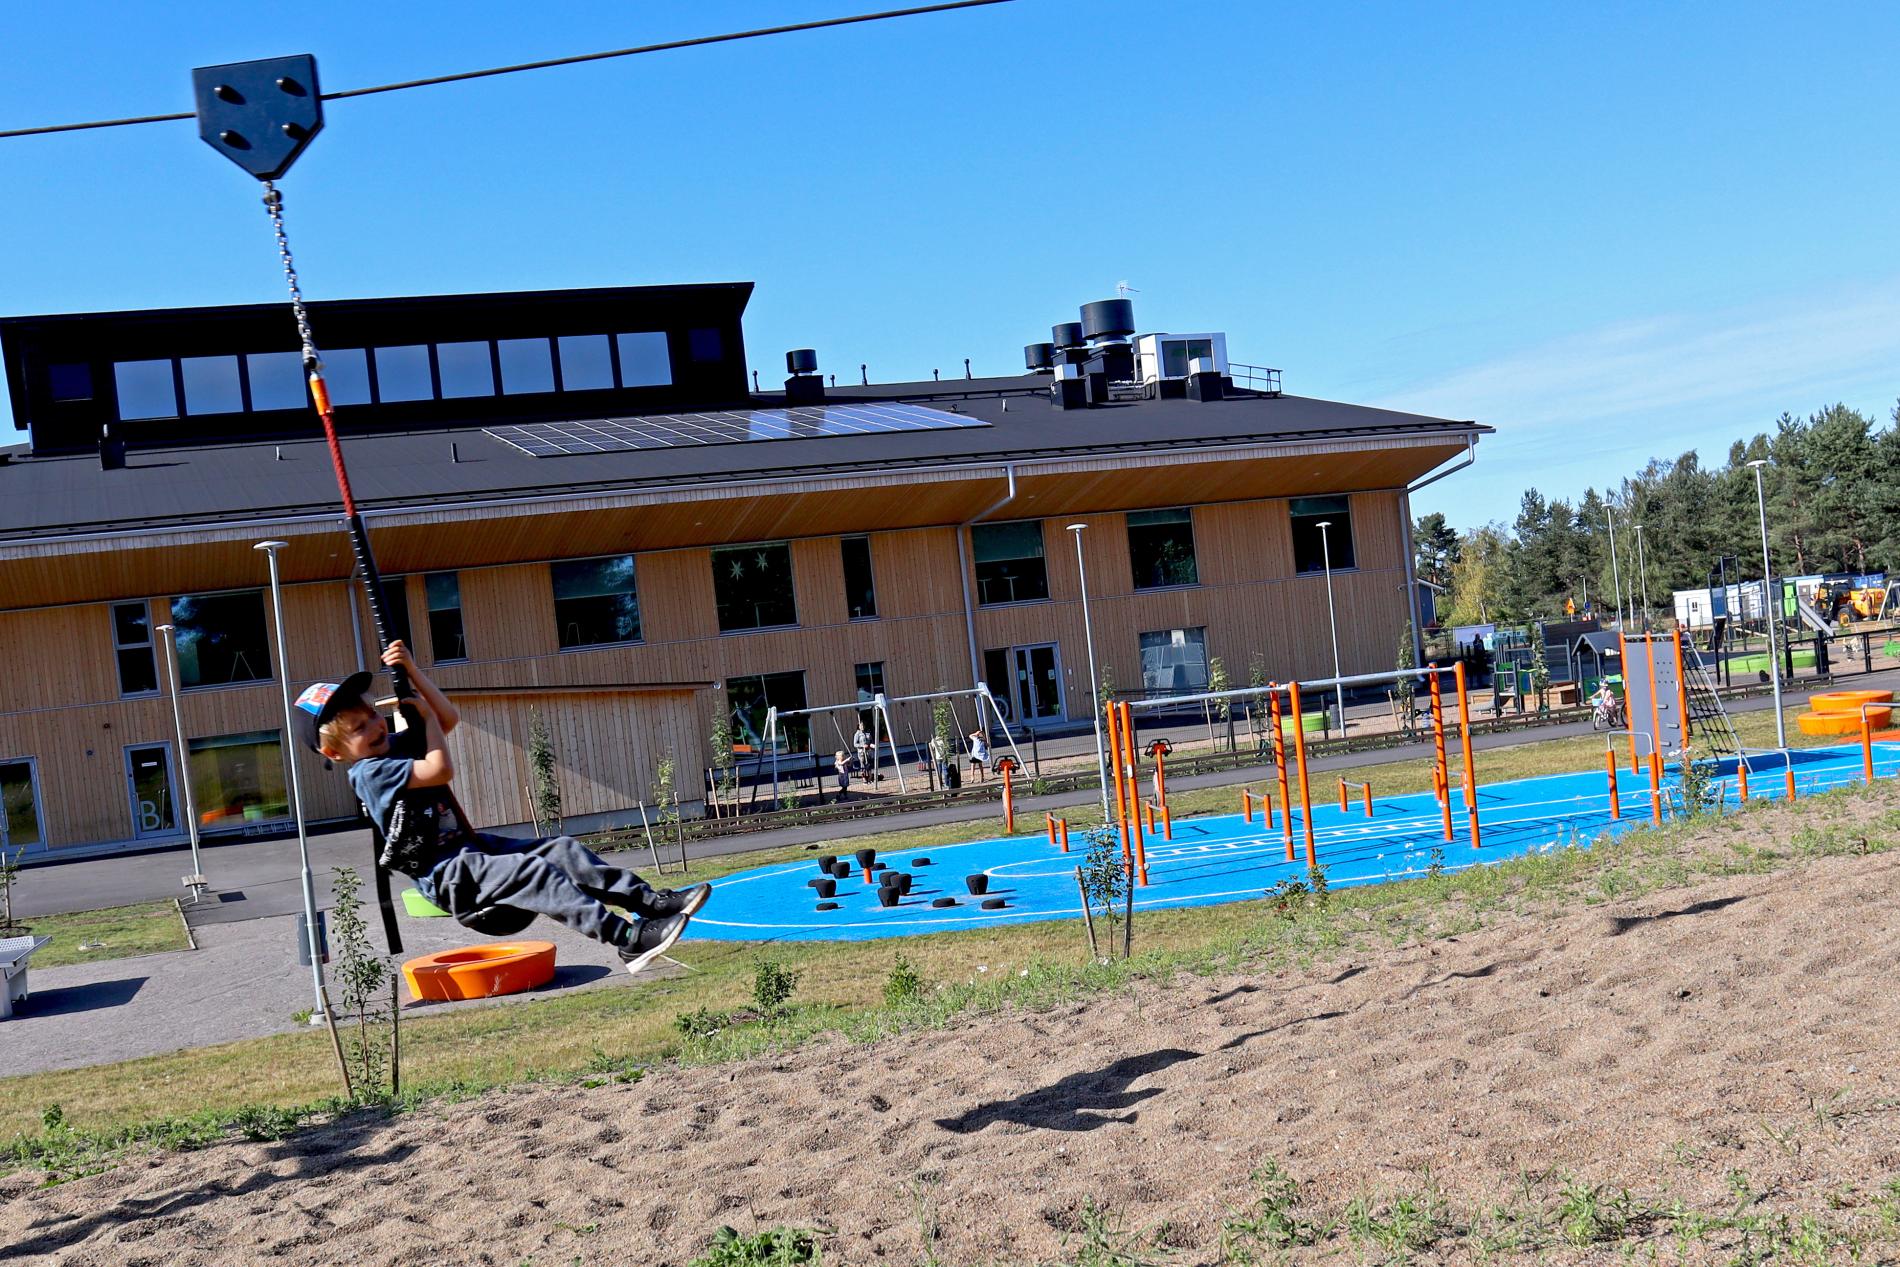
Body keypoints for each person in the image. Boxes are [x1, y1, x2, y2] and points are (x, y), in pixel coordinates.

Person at [294, 641, 707, 977]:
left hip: (472, 849)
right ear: (335, 751)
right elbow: (440, 768)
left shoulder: (388, 748)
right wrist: (423, 719)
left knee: (561, 851)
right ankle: (627, 940)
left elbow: (448, 718)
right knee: (533, 872)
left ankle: (648, 903)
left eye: (372, 715)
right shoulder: (369, 773)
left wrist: (414, 673)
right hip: (449, 875)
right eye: (359, 728)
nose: (376, 726)